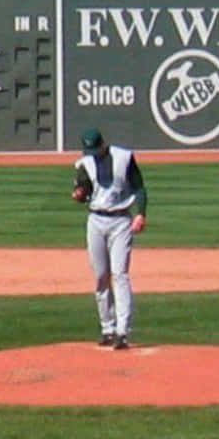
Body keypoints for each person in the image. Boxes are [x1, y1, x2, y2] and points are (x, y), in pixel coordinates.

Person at [71, 128, 147, 349]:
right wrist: (79, 195)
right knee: (101, 276)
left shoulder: (124, 158)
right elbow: (84, 191)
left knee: (120, 274)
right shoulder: (84, 164)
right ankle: (108, 328)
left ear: (103, 144)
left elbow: (139, 187)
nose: (93, 154)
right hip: (96, 220)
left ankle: (123, 331)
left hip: (121, 220)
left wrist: (141, 214)